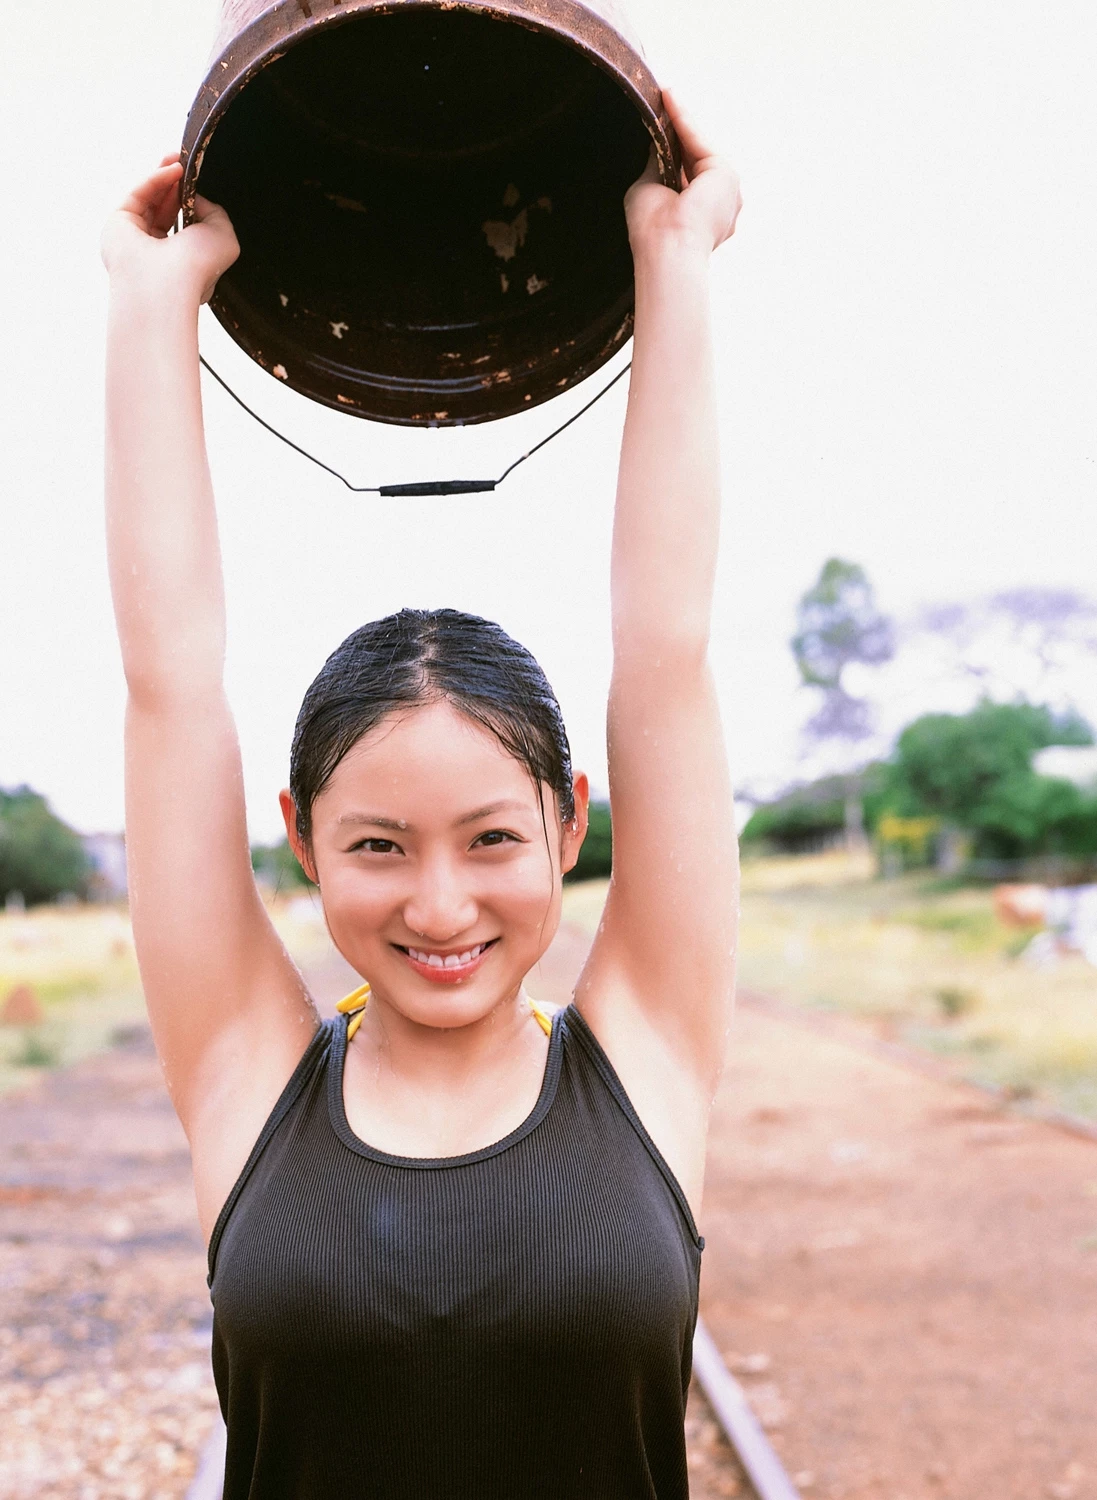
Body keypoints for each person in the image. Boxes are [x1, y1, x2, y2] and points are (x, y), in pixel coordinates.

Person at [101, 89, 741, 1500]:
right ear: (303, 844)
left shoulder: (643, 1055)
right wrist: (153, 311)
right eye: (379, 845)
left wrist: (673, 261)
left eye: (495, 838)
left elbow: (667, 651)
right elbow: (171, 686)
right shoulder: (247, 1078)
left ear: (573, 822)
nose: (440, 902)